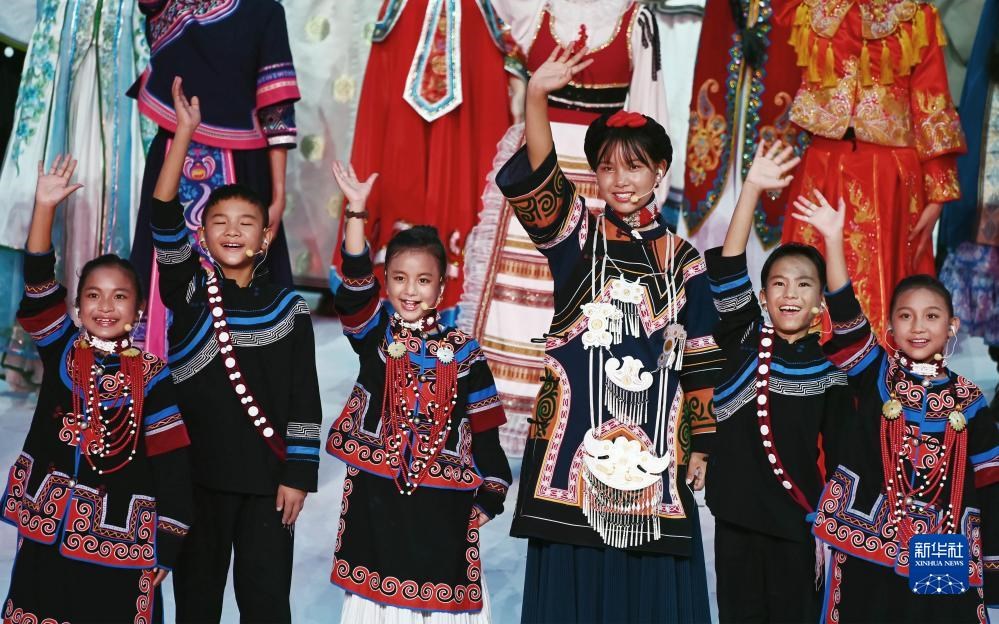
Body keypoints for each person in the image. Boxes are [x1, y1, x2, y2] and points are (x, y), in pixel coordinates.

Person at [501, 46, 722, 622]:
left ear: (659, 172)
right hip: (574, 446)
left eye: (635, 167)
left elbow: (702, 355)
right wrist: (535, 96)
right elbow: (542, 174)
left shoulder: (686, 261)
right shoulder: (577, 238)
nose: (620, 181)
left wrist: (703, 444)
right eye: (607, 167)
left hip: (657, 449)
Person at [462, 0, 668, 458]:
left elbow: (649, 112)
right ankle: (497, 421)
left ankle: (575, 417)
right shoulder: (536, 9)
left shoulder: (635, 19)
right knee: (514, 292)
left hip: (600, 173)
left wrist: (644, 198)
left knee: (585, 295)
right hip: (539, 164)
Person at [149, 78, 321, 623]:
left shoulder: (289, 308)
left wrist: (298, 476)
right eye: (219, 222)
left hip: (269, 486)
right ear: (202, 236)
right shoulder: (189, 293)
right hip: (195, 482)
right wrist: (184, 135)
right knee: (196, 606)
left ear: (265, 237)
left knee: (265, 606)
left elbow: (303, 398)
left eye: (246, 223)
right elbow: (163, 212)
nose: (232, 231)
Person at [2, 154, 193, 622]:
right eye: (93, 295)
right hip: (49, 527)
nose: (105, 306)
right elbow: (39, 283)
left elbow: (172, 465)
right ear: (78, 305)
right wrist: (45, 207)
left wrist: (166, 542)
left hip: (121, 537)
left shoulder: (154, 376)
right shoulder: (62, 350)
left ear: (139, 309)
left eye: (119, 296)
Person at [792, 190, 999, 622]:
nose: (918, 326)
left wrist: (992, 563)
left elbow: (990, 485)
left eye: (931, 316)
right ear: (889, 325)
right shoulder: (876, 373)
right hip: (867, 539)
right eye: (906, 316)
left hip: (943, 545)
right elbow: (846, 317)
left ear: (952, 326)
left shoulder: (970, 400)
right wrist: (833, 239)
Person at [326, 162, 512, 621]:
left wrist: (490, 494)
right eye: (399, 278)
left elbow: (484, 429)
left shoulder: (465, 353)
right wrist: (356, 212)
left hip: (444, 506)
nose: (410, 291)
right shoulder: (376, 337)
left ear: (442, 286)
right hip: (377, 500)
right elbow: (354, 289)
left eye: (423, 280)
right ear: (386, 280)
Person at [704, 140, 850, 623]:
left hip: (797, 521)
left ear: (820, 301)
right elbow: (729, 267)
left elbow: (843, 453)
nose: (790, 294)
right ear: (764, 296)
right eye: (779, 283)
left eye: (804, 284)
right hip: (736, 517)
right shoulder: (745, 338)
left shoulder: (832, 369)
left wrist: (833, 241)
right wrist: (750, 188)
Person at [329, 0, 526, 322]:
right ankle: (394, 295)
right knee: (398, 152)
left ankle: (460, 301)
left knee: (470, 156)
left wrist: (517, 73)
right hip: (410, 23)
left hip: (475, 29)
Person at [780, 0, 966, 338]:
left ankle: (880, 369)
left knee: (885, 288)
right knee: (807, 279)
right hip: (821, 167)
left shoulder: (914, 15)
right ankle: (802, 366)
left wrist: (938, 189)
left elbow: (932, 100)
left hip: (888, 176)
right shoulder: (810, 9)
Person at [129, 0, 301, 357]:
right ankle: (162, 373)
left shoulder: (264, 11)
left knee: (246, 280)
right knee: (167, 266)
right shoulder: (166, 5)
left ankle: (243, 378)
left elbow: (276, 108)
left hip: (243, 166)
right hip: (175, 155)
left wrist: (279, 196)